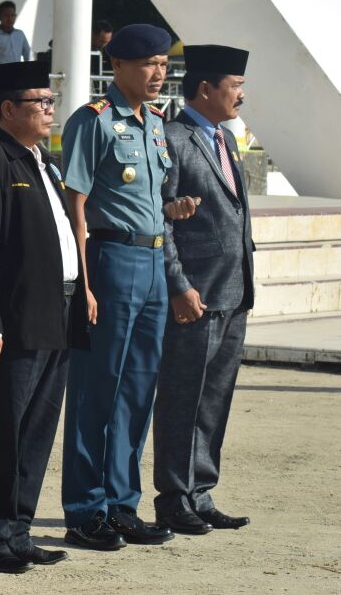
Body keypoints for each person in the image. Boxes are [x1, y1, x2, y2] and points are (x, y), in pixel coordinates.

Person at [60, 23, 197, 551]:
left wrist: (172, 210)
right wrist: (84, 284)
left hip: (154, 260)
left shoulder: (156, 123)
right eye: (147, 64)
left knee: (138, 390)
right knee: (98, 388)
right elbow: (77, 205)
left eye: (163, 63)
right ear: (117, 66)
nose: (158, 73)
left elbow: (149, 198)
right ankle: (85, 508)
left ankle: (122, 502)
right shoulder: (93, 122)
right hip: (111, 260)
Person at [0, 60, 87, 573]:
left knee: (37, 428)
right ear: (8, 109)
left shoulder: (43, 160)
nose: (50, 109)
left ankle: (18, 529)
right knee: (2, 427)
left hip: (56, 307)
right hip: (15, 314)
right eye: (40, 102)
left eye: (51, 100)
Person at [153, 45, 254, 535]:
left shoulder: (227, 140)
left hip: (233, 295)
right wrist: (179, 285)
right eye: (234, 85)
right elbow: (162, 220)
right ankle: (173, 497)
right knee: (182, 398)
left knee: (214, 399)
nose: (241, 94)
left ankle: (201, 491)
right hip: (195, 296)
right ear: (206, 89)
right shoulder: (173, 137)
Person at [0, 0, 31, 68]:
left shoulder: (20, 35)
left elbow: (28, 55)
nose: (10, 19)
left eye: (12, 15)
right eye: (6, 16)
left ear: (15, 16)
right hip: (0, 76)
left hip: (18, 75)